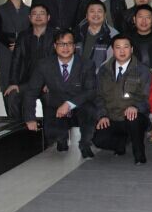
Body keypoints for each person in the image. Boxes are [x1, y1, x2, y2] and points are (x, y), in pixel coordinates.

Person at [23, 29, 97, 158]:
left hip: (79, 105)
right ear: (55, 46)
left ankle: (85, 144)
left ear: (74, 46)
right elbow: (31, 92)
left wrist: (69, 104)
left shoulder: (87, 64)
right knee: (52, 134)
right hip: (55, 105)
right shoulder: (44, 65)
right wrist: (30, 118)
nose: (65, 48)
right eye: (61, 44)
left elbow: (90, 90)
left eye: (69, 44)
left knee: (90, 110)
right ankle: (61, 138)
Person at [93, 34, 150, 164]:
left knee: (133, 119)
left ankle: (139, 155)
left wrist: (136, 107)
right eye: (118, 47)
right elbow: (98, 96)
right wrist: (102, 115)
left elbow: (148, 97)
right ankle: (121, 143)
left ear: (132, 49)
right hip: (112, 117)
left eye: (126, 47)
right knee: (98, 140)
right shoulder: (104, 70)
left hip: (134, 117)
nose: (122, 51)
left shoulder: (143, 70)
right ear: (113, 50)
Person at [4, 4, 54, 121]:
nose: (38, 16)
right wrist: (13, 83)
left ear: (48, 17)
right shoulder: (23, 36)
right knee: (12, 95)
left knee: (50, 98)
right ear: (30, 18)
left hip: (49, 83)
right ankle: (18, 129)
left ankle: (49, 131)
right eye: (34, 14)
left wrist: (53, 82)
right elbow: (16, 60)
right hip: (28, 82)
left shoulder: (56, 36)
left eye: (42, 13)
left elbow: (62, 61)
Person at [0, 0, 31, 116]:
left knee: (24, 83)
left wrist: (21, 45)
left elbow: (32, 30)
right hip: (6, 50)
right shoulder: (0, 9)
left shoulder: (30, 10)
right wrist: (10, 44)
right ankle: (11, 118)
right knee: (7, 82)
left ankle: (24, 119)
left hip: (25, 50)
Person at [74, 0, 118, 72]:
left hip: (101, 76)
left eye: (99, 11)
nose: (96, 14)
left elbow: (112, 61)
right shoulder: (76, 33)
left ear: (105, 15)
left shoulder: (113, 35)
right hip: (77, 74)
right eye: (92, 11)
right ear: (86, 15)